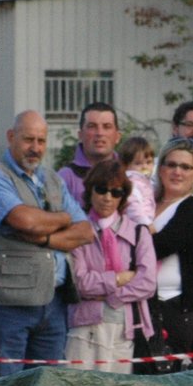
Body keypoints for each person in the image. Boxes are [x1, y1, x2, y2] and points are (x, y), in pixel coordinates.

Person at [0, 110, 94, 381]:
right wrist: (62, 219)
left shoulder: (52, 179)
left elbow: (85, 231)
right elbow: (24, 221)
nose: (35, 148)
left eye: (41, 141)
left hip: (53, 302)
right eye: (28, 140)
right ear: (11, 137)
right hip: (6, 305)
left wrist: (47, 237)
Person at [67, 157, 158, 374]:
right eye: (101, 190)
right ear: (90, 191)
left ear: (123, 197)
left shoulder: (138, 232)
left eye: (116, 192)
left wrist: (112, 296)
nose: (108, 198)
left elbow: (147, 283)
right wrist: (118, 278)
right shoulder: (77, 231)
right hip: (84, 327)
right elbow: (79, 283)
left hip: (125, 330)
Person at [147, 137, 193, 368]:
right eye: (171, 164)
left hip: (174, 307)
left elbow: (161, 246)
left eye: (185, 167)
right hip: (138, 304)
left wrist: (135, 236)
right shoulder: (145, 203)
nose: (177, 172)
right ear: (160, 167)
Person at [60, 101, 121, 208]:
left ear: (117, 136)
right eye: (92, 126)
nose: (100, 133)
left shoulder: (130, 174)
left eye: (107, 127)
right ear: (80, 135)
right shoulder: (65, 178)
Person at [118, 134, 158, 228]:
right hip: (136, 226)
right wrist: (146, 223)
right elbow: (133, 206)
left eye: (148, 162)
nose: (144, 167)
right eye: (138, 163)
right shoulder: (132, 183)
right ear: (126, 165)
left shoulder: (146, 182)